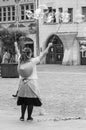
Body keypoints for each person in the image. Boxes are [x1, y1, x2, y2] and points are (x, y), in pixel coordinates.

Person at [15, 42, 52, 121]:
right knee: (30, 101)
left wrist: (15, 45)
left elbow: (17, 52)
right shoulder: (33, 60)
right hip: (31, 83)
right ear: (30, 53)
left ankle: (22, 117)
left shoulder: (20, 59)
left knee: (23, 101)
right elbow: (44, 54)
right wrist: (48, 46)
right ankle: (29, 117)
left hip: (22, 83)